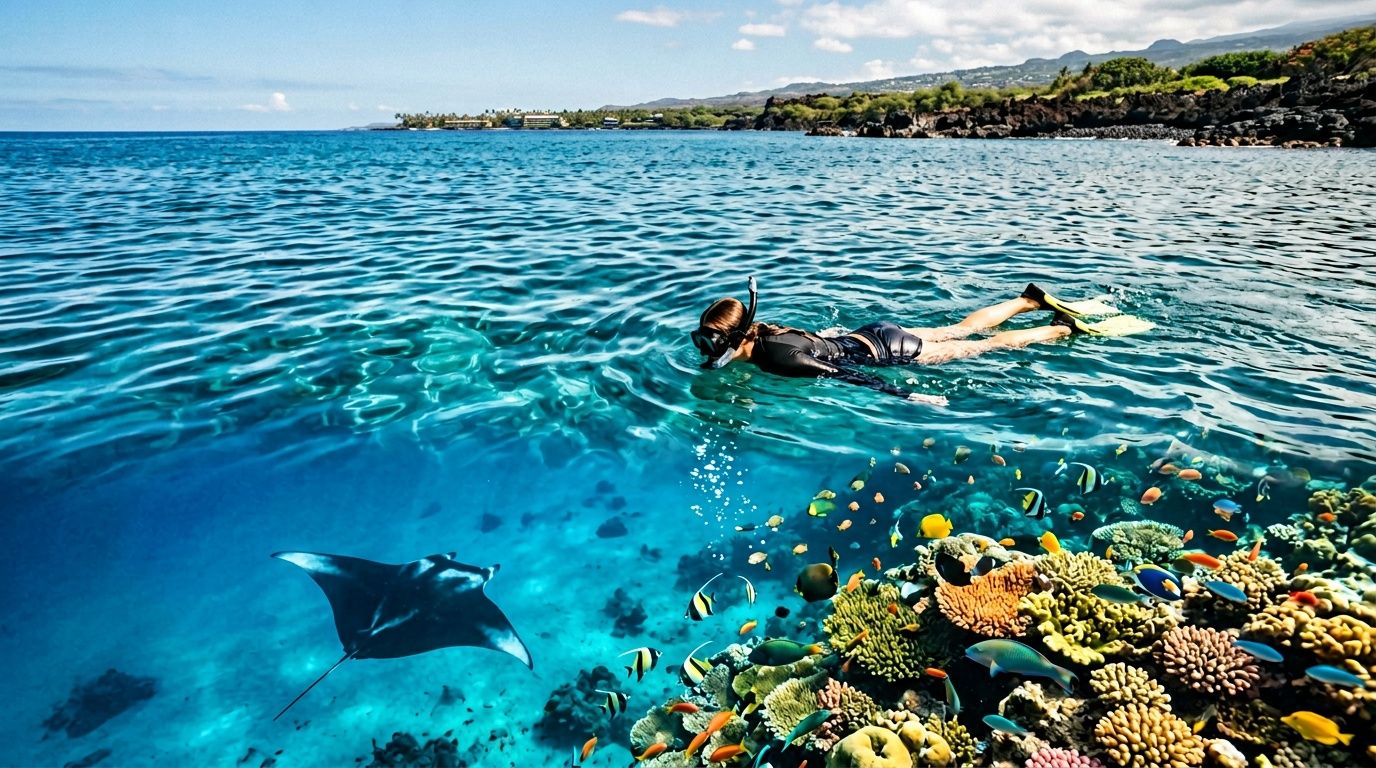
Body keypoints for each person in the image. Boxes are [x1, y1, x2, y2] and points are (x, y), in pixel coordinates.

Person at [690, 277, 1100, 403]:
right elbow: (823, 341)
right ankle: (1026, 300)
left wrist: (907, 396)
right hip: (872, 333)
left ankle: (1062, 327)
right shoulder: (769, 332)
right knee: (959, 327)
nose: (707, 352)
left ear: (739, 336)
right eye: (702, 342)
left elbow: (846, 374)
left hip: (891, 352)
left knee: (981, 345)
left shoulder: (779, 359)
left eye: (711, 342)